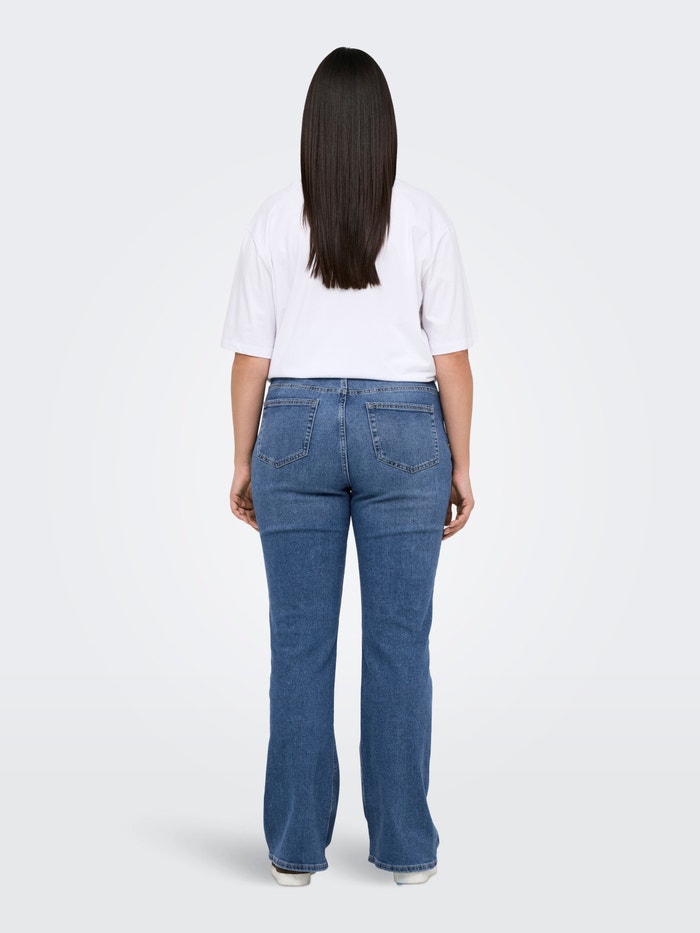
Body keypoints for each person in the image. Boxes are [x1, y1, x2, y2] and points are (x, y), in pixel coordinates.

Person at [221, 47, 477, 887]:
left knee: (299, 645)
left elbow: (251, 359)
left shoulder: (273, 220)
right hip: (406, 430)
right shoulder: (425, 218)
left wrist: (242, 459)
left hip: (292, 425)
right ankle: (405, 850)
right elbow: (452, 361)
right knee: (400, 643)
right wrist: (462, 464)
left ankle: (295, 851)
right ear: (383, 131)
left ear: (314, 133)